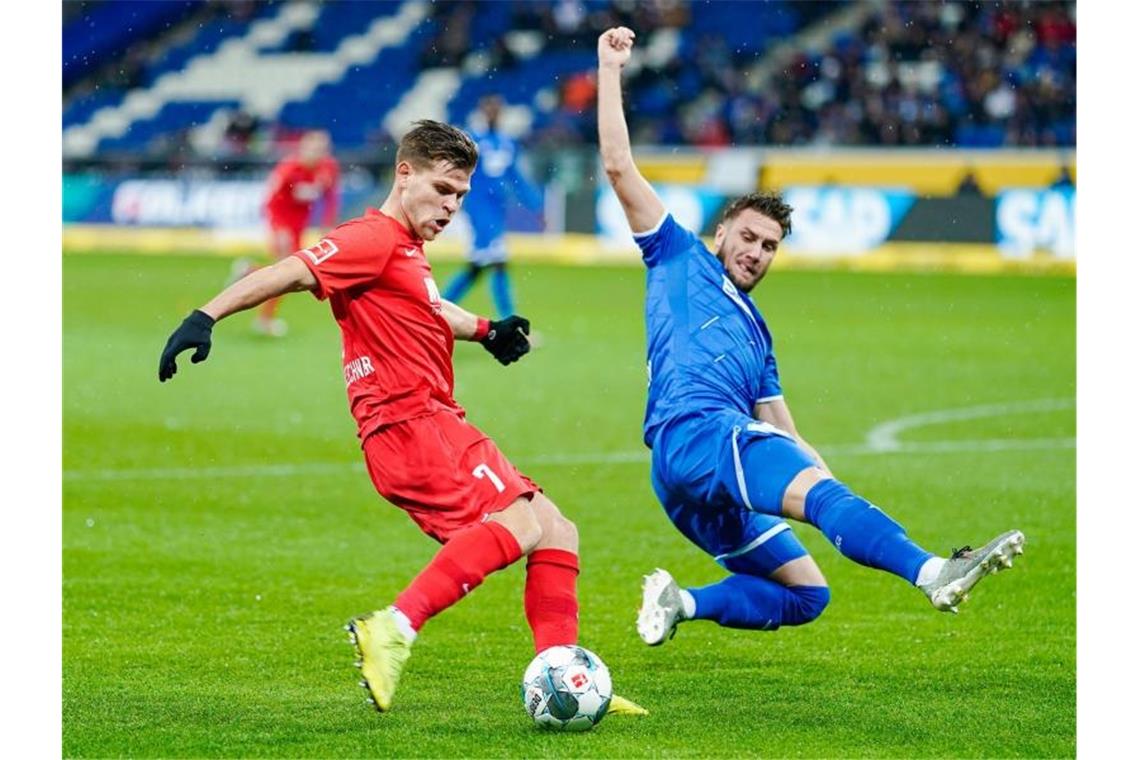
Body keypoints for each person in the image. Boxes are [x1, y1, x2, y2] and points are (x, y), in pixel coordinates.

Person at [158, 120, 645, 718]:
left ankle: (563, 675)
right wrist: (205, 315)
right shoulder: (372, 238)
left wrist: (487, 331)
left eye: (461, 196)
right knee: (520, 526)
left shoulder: (405, 251)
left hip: (432, 419)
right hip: (409, 422)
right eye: (443, 190)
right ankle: (393, 626)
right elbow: (291, 269)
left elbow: (430, 307)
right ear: (405, 174)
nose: (452, 207)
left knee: (556, 528)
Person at [595, 27, 1026, 646]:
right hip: (701, 433)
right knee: (819, 501)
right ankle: (934, 570)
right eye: (747, 237)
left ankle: (680, 602)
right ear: (721, 232)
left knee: (806, 594)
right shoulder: (676, 254)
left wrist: (825, 482)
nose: (756, 252)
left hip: (682, 473)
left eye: (769, 246)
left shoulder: (758, 337)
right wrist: (611, 69)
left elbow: (784, 430)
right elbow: (617, 164)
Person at [441, 96, 544, 320]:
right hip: (478, 208)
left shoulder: (508, 142)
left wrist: (536, 205)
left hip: (497, 209)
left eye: (496, 110)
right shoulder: (470, 141)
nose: (493, 114)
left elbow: (516, 177)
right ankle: (510, 322)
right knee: (498, 262)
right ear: (482, 112)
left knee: (476, 268)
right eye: (489, 110)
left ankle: (434, 310)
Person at [242, 129, 341, 337]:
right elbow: (269, 200)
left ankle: (249, 273)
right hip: (283, 226)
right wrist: (279, 230)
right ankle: (265, 319)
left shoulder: (328, 168)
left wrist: (327, 224)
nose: (318, 153)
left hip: (299, 227)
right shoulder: (288, 169)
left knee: (284, 273)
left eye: (322, 148)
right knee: (286, 274)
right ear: (303, 148)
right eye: (314, 148)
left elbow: (330, 197)